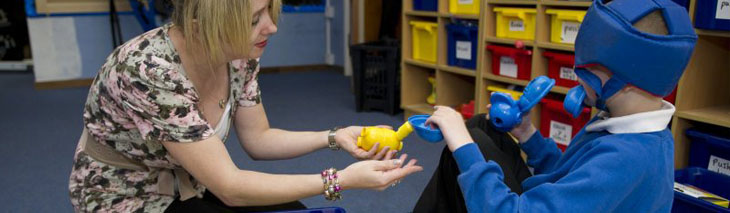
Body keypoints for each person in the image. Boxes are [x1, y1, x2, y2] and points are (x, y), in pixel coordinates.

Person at [68, 0, 422, 212]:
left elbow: (259, 139)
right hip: (127, 197)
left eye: (269, 10)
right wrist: (340, 180)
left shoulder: (238, 55)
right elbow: (232, 188)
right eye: (254, 19)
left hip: (195, 181)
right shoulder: (148, 69)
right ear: (204, 23)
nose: (271, 27)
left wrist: (334, 136)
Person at [413, 0, 697, 212]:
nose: (577, 75)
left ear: (619, 81)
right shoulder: (626, 119)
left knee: (467, 141)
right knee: (481, 126)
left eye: (585, 70)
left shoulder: (626, 159)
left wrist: (461, 143)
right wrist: (528, 135)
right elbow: (572, 177)